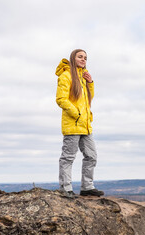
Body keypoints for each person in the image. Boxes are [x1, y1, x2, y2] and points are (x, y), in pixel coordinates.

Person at [55, 49, 104, 198]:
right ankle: (66, 188)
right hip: (73, 123)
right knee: (68, 157)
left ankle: (87, 187)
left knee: (91, 155)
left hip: (85, 124)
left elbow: (88, 99)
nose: (83, 60)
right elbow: (61, 99)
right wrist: (76, 113)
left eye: (85, 58)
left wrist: (90, 83)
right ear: (73, 58)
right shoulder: (66, 75)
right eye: (80, 57)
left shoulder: (83, 77)